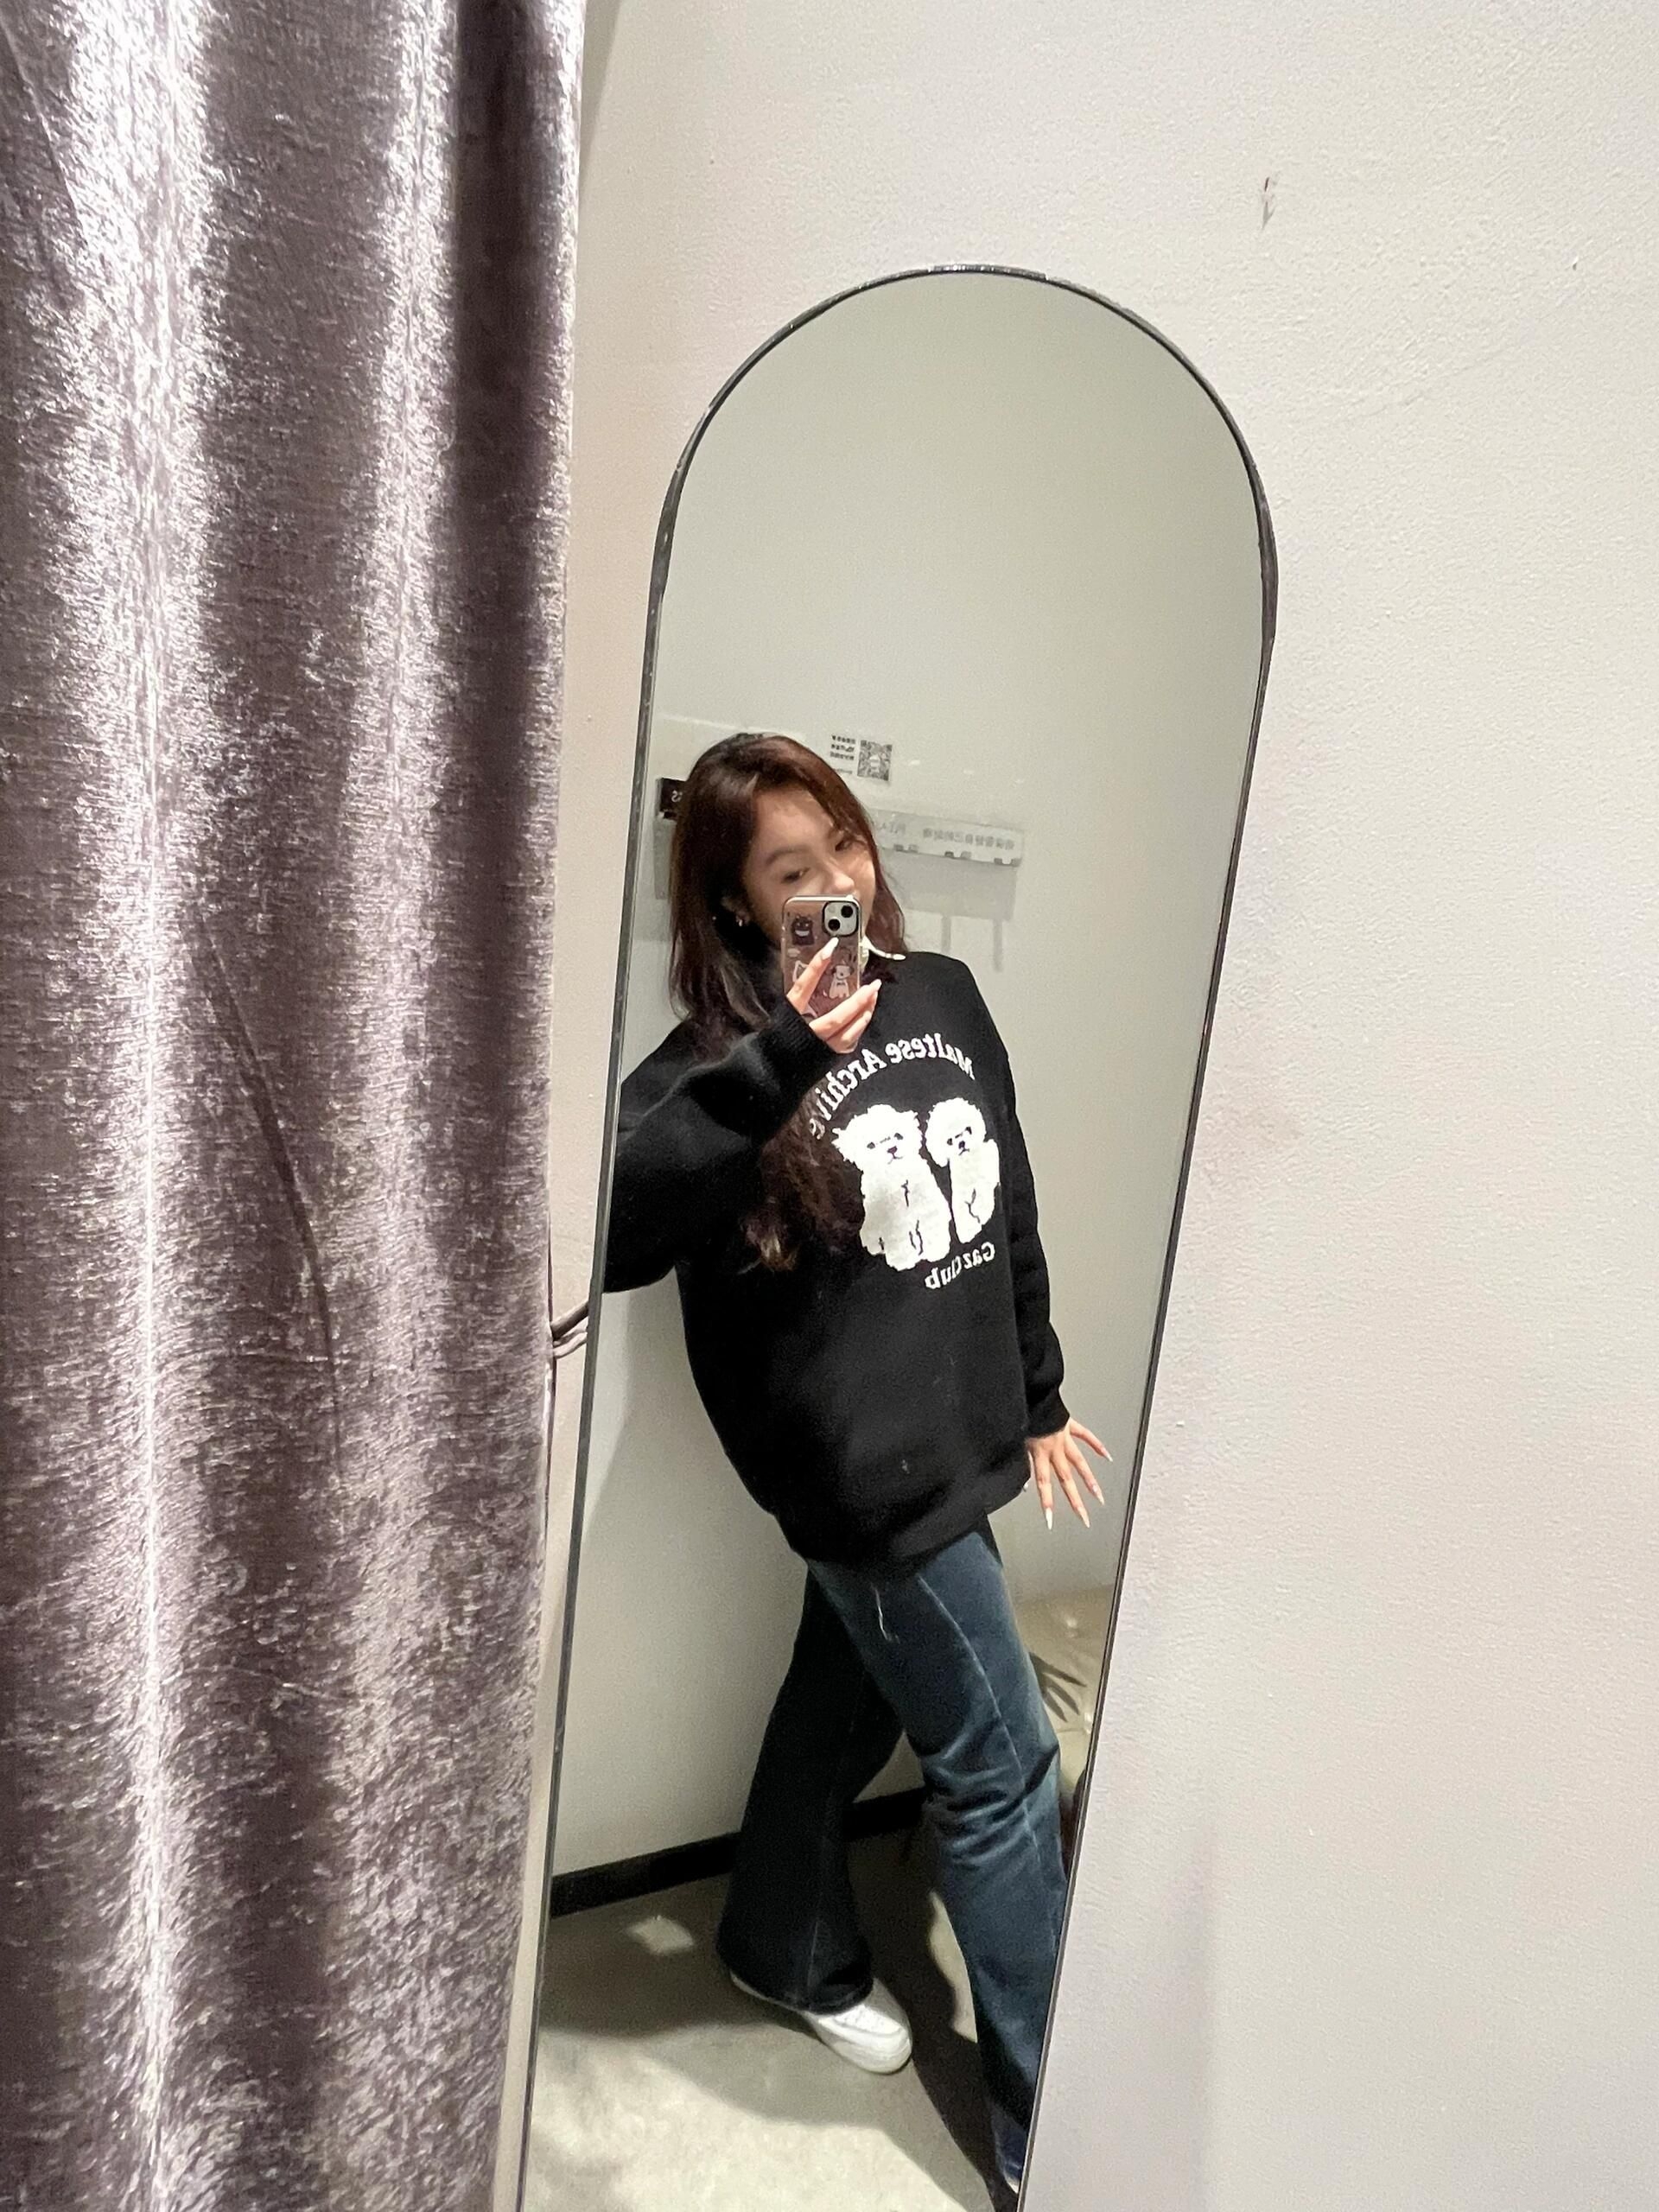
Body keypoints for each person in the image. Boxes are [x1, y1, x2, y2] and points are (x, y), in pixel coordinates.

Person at [604, 732, 1106, 2193]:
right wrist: (784, 1056)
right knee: (1001, 1772)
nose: (836, 881)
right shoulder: (718, 1068)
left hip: (959, 1449)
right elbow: (611, 1225)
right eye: (791, 869)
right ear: (738, 903)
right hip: (866, 1496)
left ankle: (784, 1940)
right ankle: (1051, 2132)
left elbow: (1006, 1204)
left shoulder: (943, 992)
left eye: (843, 843)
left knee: (843, 1707)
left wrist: (1040, 1393)